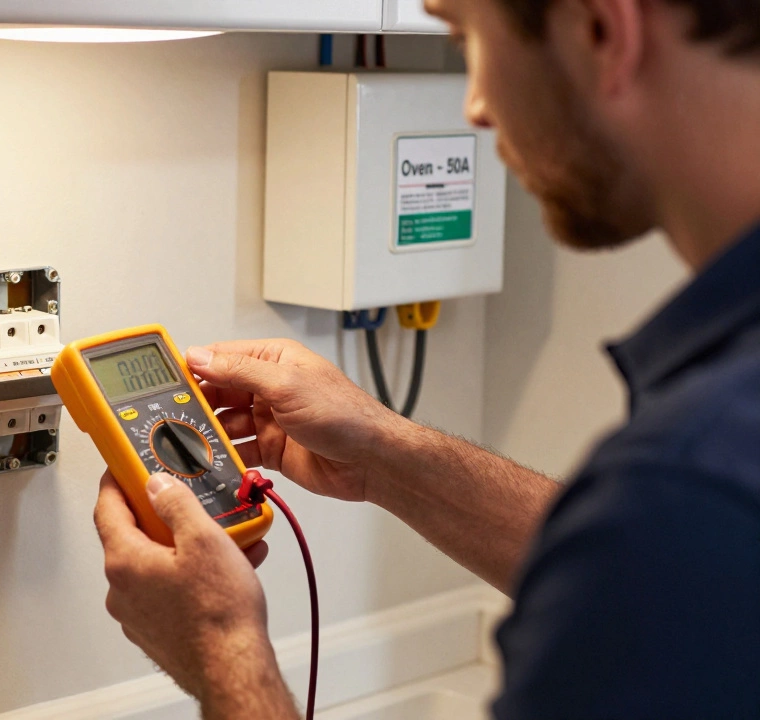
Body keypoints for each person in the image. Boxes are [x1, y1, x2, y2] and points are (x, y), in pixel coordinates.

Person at [92, 0, 760, 714]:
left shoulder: (689, 482)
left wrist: (222, 646)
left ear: (602, 29)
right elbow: (663, 575)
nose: (473, 106)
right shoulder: (698, 489)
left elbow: (668, 540)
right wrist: (381, 455)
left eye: (468, 35)